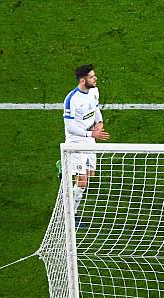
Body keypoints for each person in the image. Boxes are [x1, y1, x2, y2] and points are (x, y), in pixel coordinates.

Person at [62, 64, 110, 226]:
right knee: (82, 182)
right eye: (91, 77)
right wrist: (91, 134)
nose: (95, 79)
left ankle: (65, 170)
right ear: (83, 80)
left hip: (90, 138)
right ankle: (71, 215)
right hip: (76, 142)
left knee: (90, 175)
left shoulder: (94, 91)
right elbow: (70, 127)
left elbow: (95, 109)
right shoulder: (72, 100)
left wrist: (100, 122)